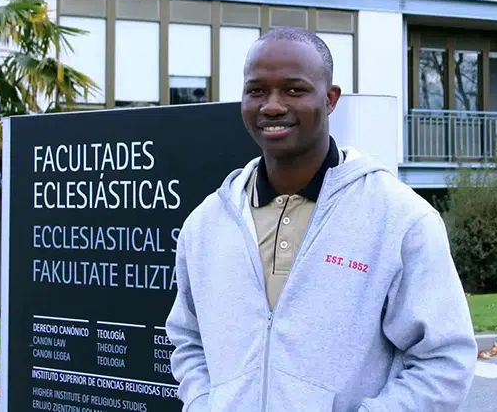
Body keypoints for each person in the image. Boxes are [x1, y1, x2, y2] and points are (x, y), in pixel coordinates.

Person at [165, 27, 477, 412]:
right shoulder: (207, 223)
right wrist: (202, 403)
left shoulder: (399, 219)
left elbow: (444, 360)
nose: (272, 105)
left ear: (330, 99)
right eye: (257, 90)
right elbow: (187, 338)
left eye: (294, 89)